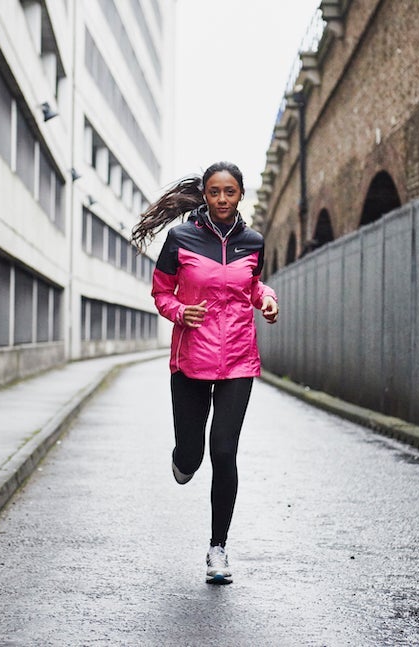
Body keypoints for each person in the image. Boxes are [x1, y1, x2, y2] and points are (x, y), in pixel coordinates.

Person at [131, 161, 279, 584]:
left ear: (240, 195)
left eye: (229, 192)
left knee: (224, 452)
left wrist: (266, 298)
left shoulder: (252, 241)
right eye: (214, 192)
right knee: (192, 456)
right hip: (191, 360)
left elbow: (252, 286)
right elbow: (161, 291)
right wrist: (180, 311)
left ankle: (218, 549)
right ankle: (182, 459)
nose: (221, 199)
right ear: (205, 194)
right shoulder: (181, 238)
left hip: (237, 360)